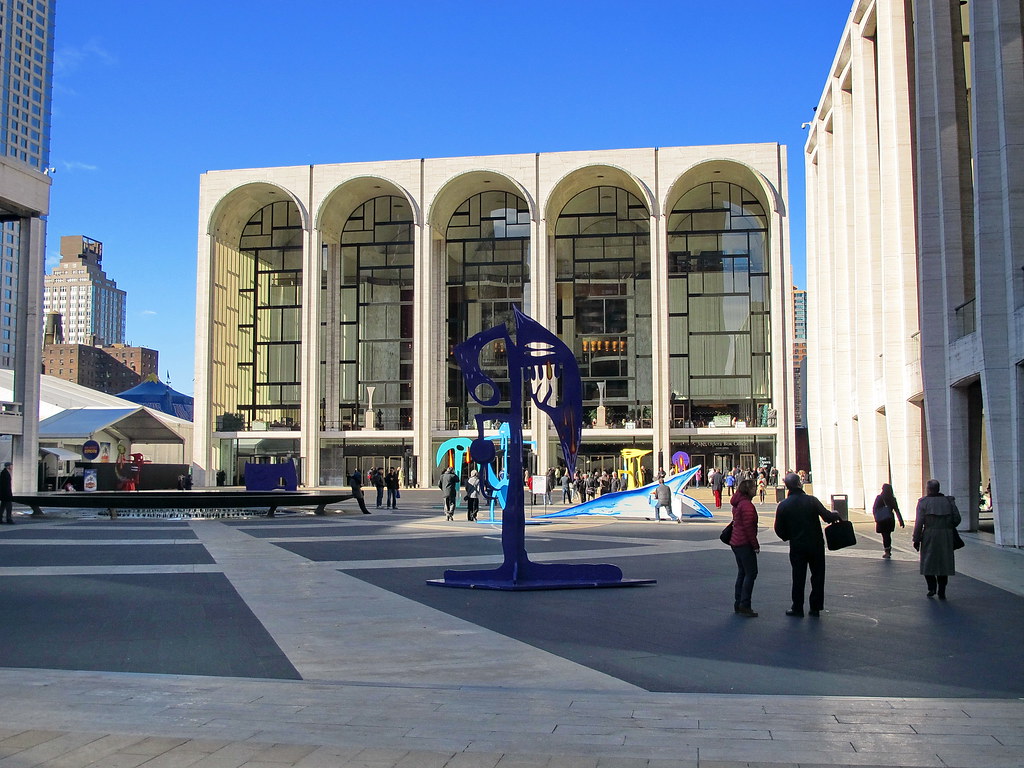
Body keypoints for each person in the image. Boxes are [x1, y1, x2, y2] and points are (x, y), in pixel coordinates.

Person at [773, 472, 841, 617]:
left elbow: (778, 529)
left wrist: (788, 536)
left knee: (798, 577)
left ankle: (797, 607)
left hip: (797, 545)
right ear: (799, 484)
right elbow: (827, 517)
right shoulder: (811, 500)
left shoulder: (784, 505)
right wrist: (836, 515)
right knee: (817, 575)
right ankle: (815, 607)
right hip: (815, 544)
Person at [913, 479, 961, 599]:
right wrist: (948, 526)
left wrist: (916, 539)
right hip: (946, 535)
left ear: (928, 489)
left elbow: (919, 522)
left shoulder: (923, 502)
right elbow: (957, 519)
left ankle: (931, 587)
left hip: (929, 534)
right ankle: (942, 589)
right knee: (944, 563)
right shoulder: (948, 501)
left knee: (927, 562)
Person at [729, 478, 760, 617]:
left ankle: (738, 602)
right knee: (751, 573)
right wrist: (755, 545)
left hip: (736, 541)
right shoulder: (747, 505)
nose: (756, 489)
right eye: (754, 487)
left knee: (742, 572)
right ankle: (745, 604)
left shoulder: (737, 503)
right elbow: (749, 528)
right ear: (748, 490)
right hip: (744, 542)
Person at [871, 483, 905, 558]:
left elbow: (874, 508)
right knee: (888, 535)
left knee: (885, 536)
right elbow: (896, 510)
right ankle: (888, 550)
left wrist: (876, 517)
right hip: (890, 519)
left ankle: (887, 551)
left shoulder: (879, 497)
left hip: (882, 520)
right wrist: (901, 521)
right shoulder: (892, 498)